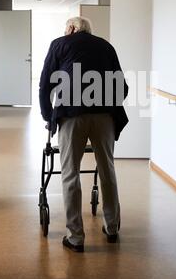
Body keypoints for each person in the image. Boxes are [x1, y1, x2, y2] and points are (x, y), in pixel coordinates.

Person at [39, 16, 128, 252]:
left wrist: (49, 117)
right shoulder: (106, 46)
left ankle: (76, 237)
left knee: (70, 172)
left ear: (70, 28)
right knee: (107, 168)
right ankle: (112, 228)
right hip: (104, 115)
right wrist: (106, 104)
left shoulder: (59, 44)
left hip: (71, 114)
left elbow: (45, 85)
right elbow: (123, 87)